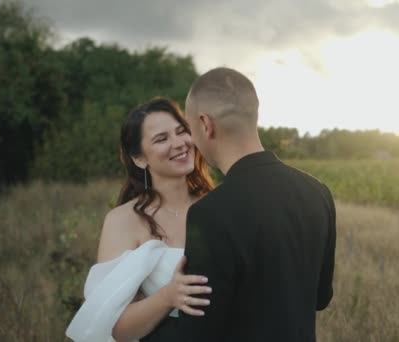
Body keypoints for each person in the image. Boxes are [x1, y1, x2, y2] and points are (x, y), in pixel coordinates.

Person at [175, 67, 336, 341]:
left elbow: (201, 328)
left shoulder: (209, 213)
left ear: (205, 124)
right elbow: (321, 297)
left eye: (190, 129)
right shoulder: (318, 192)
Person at [66, 98, 215, 342]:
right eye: (161, 139)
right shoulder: (123, 220)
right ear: (139, 158)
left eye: (181, 131)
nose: (179, 143)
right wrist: (168, 297)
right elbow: (116, 328)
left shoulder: (218, 205)